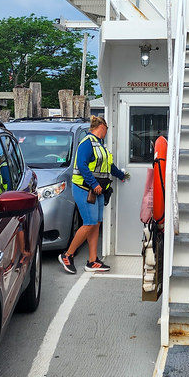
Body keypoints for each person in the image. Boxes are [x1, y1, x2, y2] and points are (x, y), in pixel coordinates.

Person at [59, 115, 128, 274]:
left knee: (96, 223)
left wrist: (121, 175)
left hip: (97, 190)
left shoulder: (99, 144)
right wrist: (94, 184)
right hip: (85, 189)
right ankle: (67, 255)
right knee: (89, 223)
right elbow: (82, 165)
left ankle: (92, 261)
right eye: (107, 129)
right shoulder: (87, 143)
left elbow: (108, 166)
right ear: (102, 127)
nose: (107, 132)